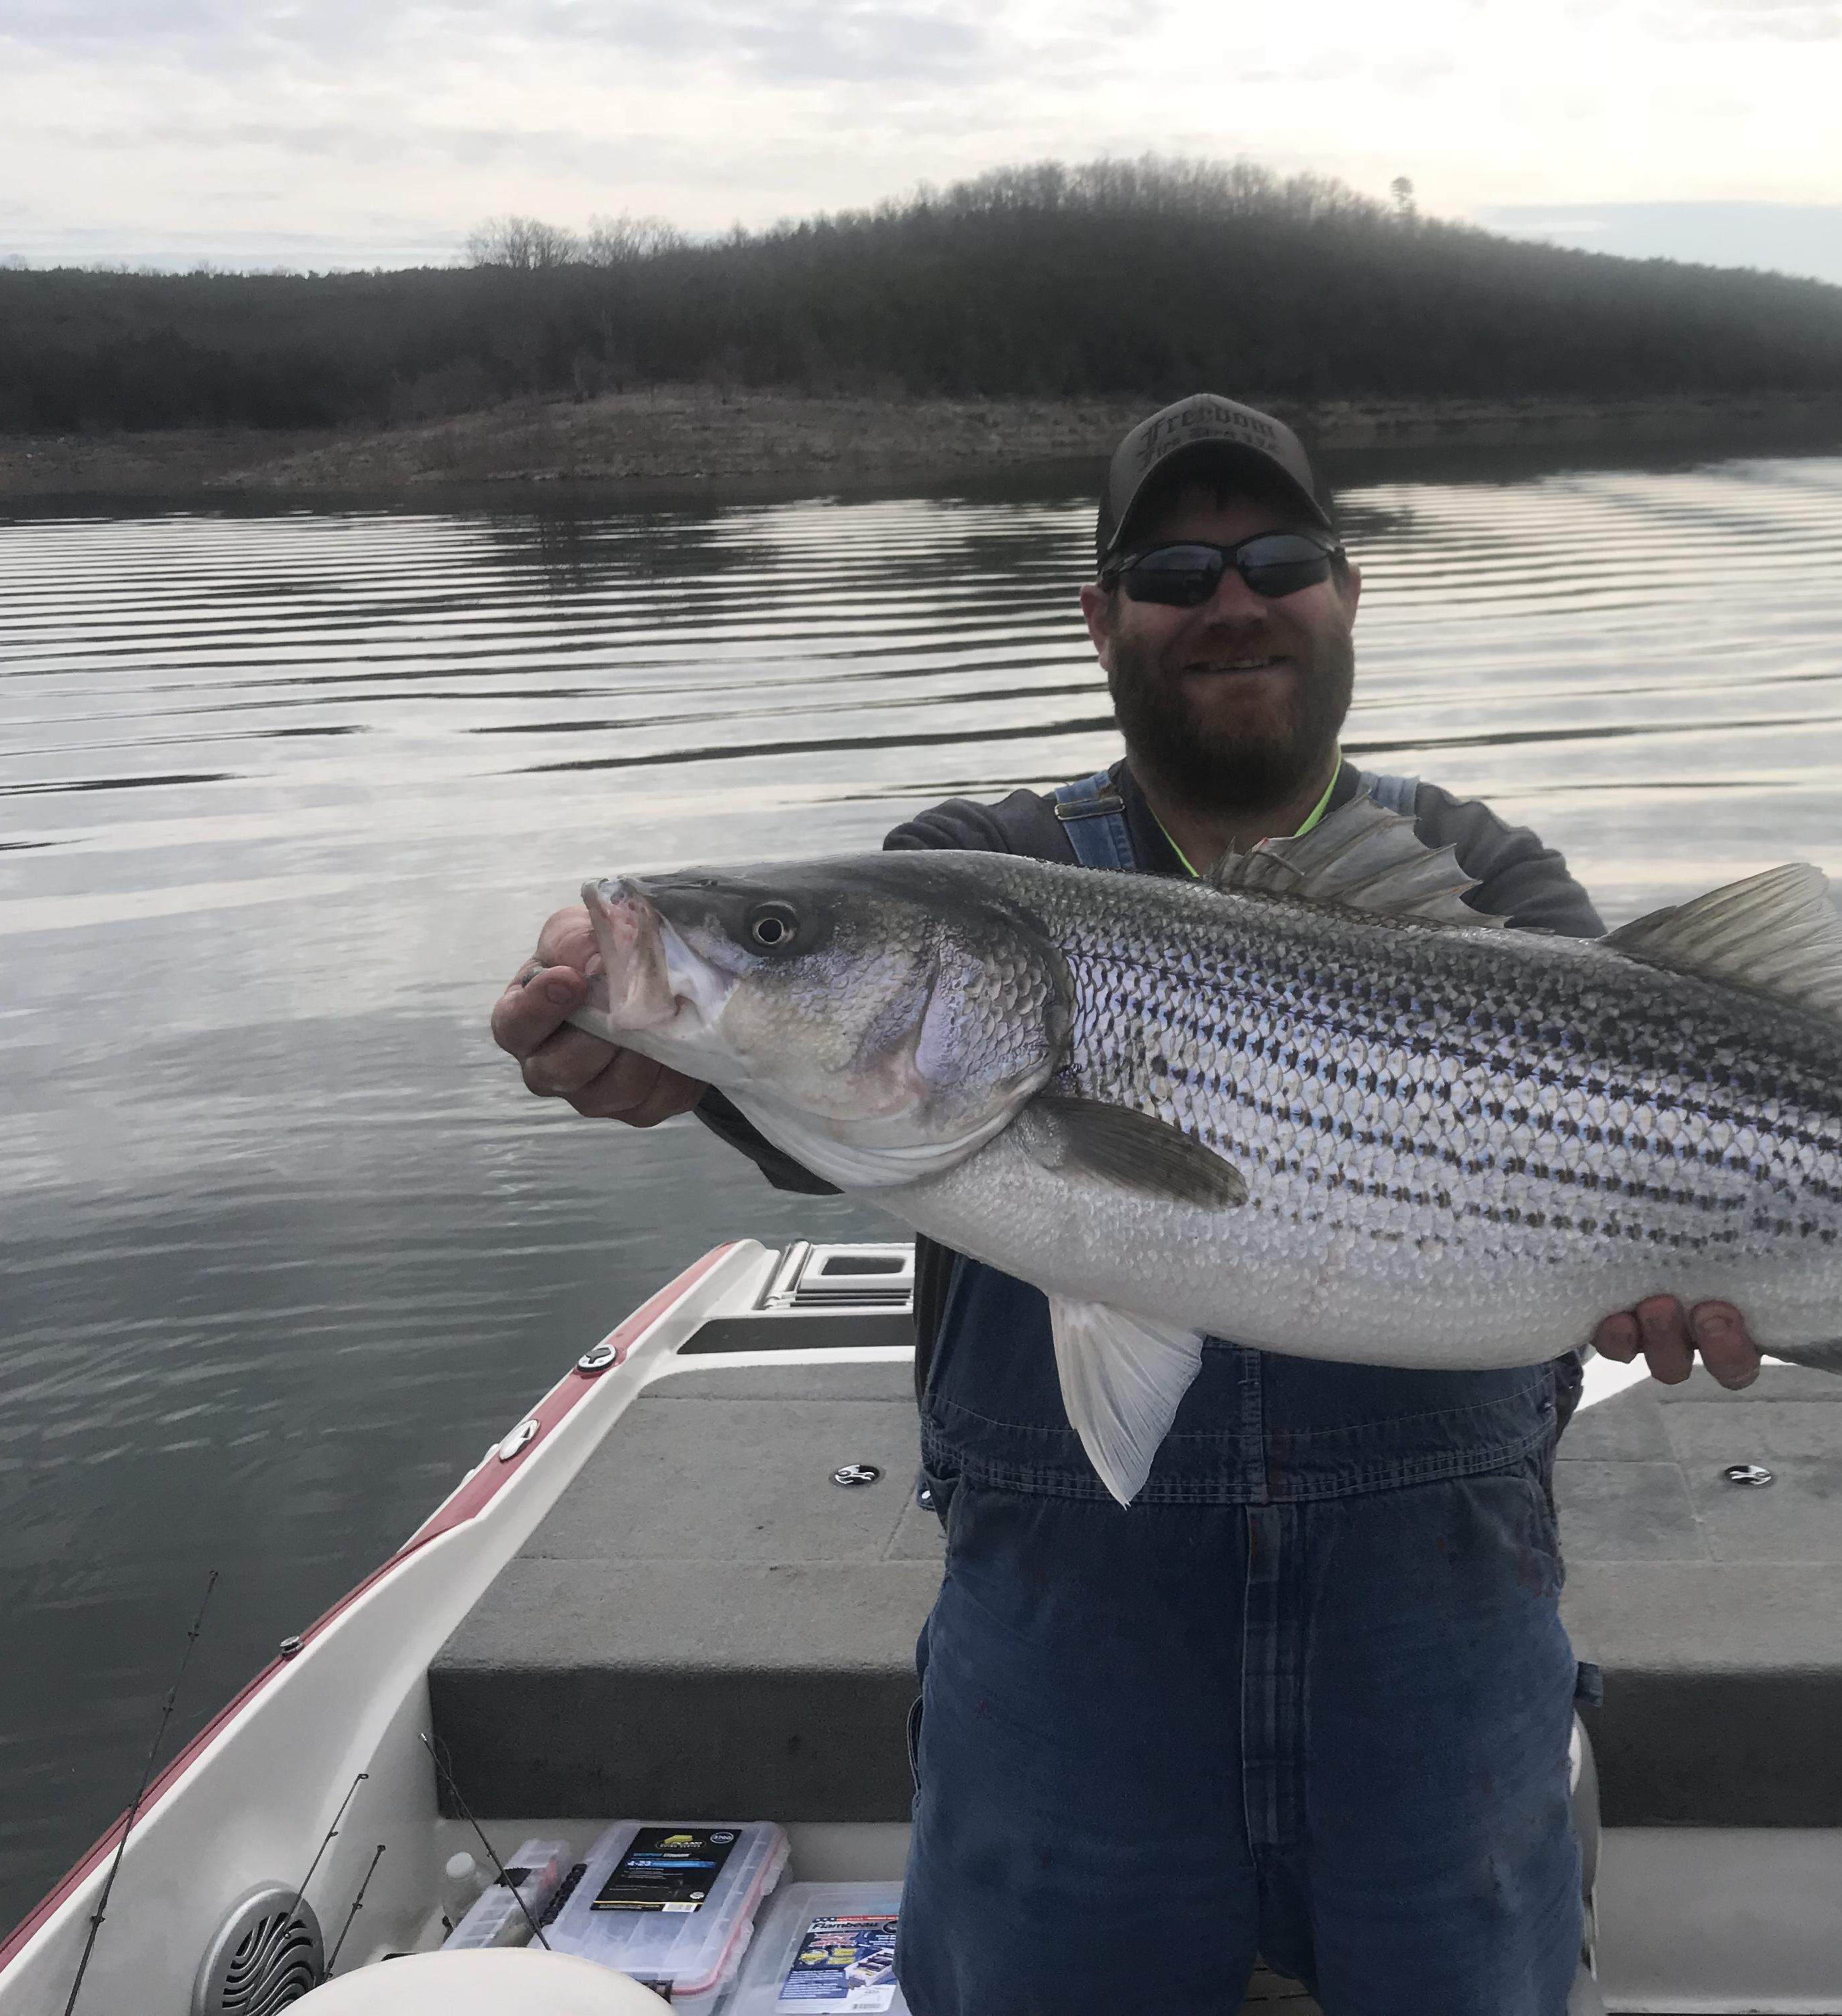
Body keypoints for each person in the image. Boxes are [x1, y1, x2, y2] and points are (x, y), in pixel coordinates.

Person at [492, 395, 1760, 2016]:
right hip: (1069, 1699)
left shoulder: (1482, 882)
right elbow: (840, 1116)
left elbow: (1652, 1129)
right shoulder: (977, 863)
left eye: (1277, 560)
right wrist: (673, 1056)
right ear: (1101, 619)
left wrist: (1685, 1274)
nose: (1231, 601)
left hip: (1434, 1682)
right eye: (1172, 573)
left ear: (1347, 591)